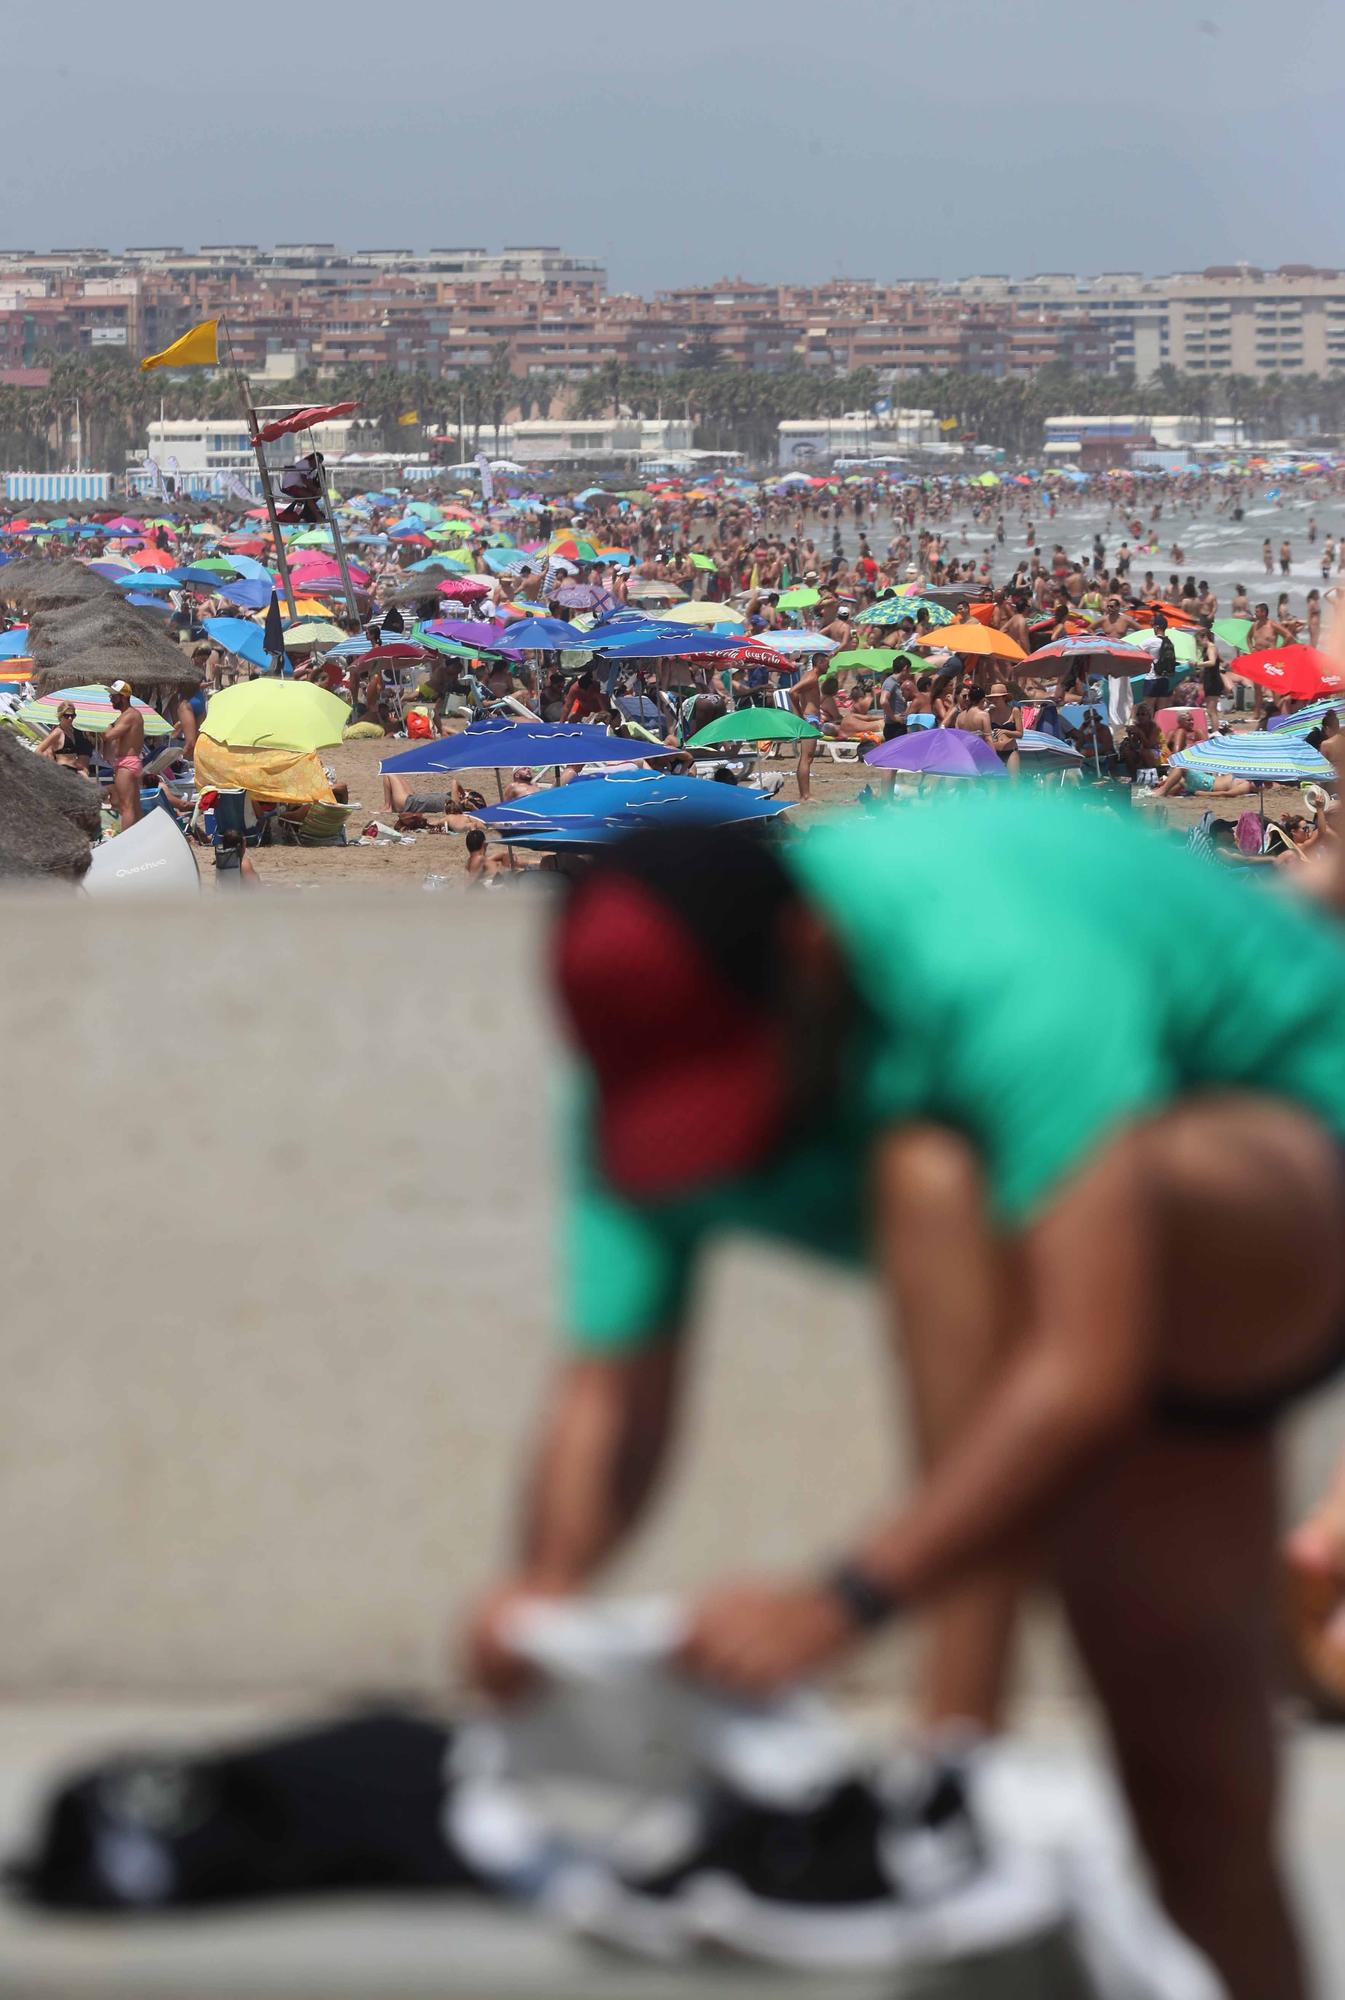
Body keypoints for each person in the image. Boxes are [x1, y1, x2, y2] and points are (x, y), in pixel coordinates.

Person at [466, 796, 1345, 1997]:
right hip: (1083, 1297)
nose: (728, 1138)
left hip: (1281, 1186)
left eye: (739, 1083)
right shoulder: (642, 1055)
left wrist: (842, 1601)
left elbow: (1085, 1371)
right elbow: (612, 1388)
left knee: (928, 1172)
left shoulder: (992, 959)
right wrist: (544, 1600)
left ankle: (952, 1755)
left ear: (810, 958)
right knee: (1193, 1811)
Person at [102, 679, 145, 829]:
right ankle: (140, 838)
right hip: (131, 762)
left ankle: (127, 841)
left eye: (114, 696)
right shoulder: (131, 715)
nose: (111, 699)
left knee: (126, 807)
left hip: (126, 763)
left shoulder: (129, 715)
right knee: (134, 806)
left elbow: (109, 736)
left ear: (124, 697)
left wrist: (107, 727)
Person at [36, 701, 96, 775]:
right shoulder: (57, 732)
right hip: (63, 769)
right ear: (60, 716)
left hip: (73, 769)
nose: (70, 718)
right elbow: (38, 750)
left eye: (73, 716)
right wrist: (52, 766)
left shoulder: (72, 731)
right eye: (67, 716)